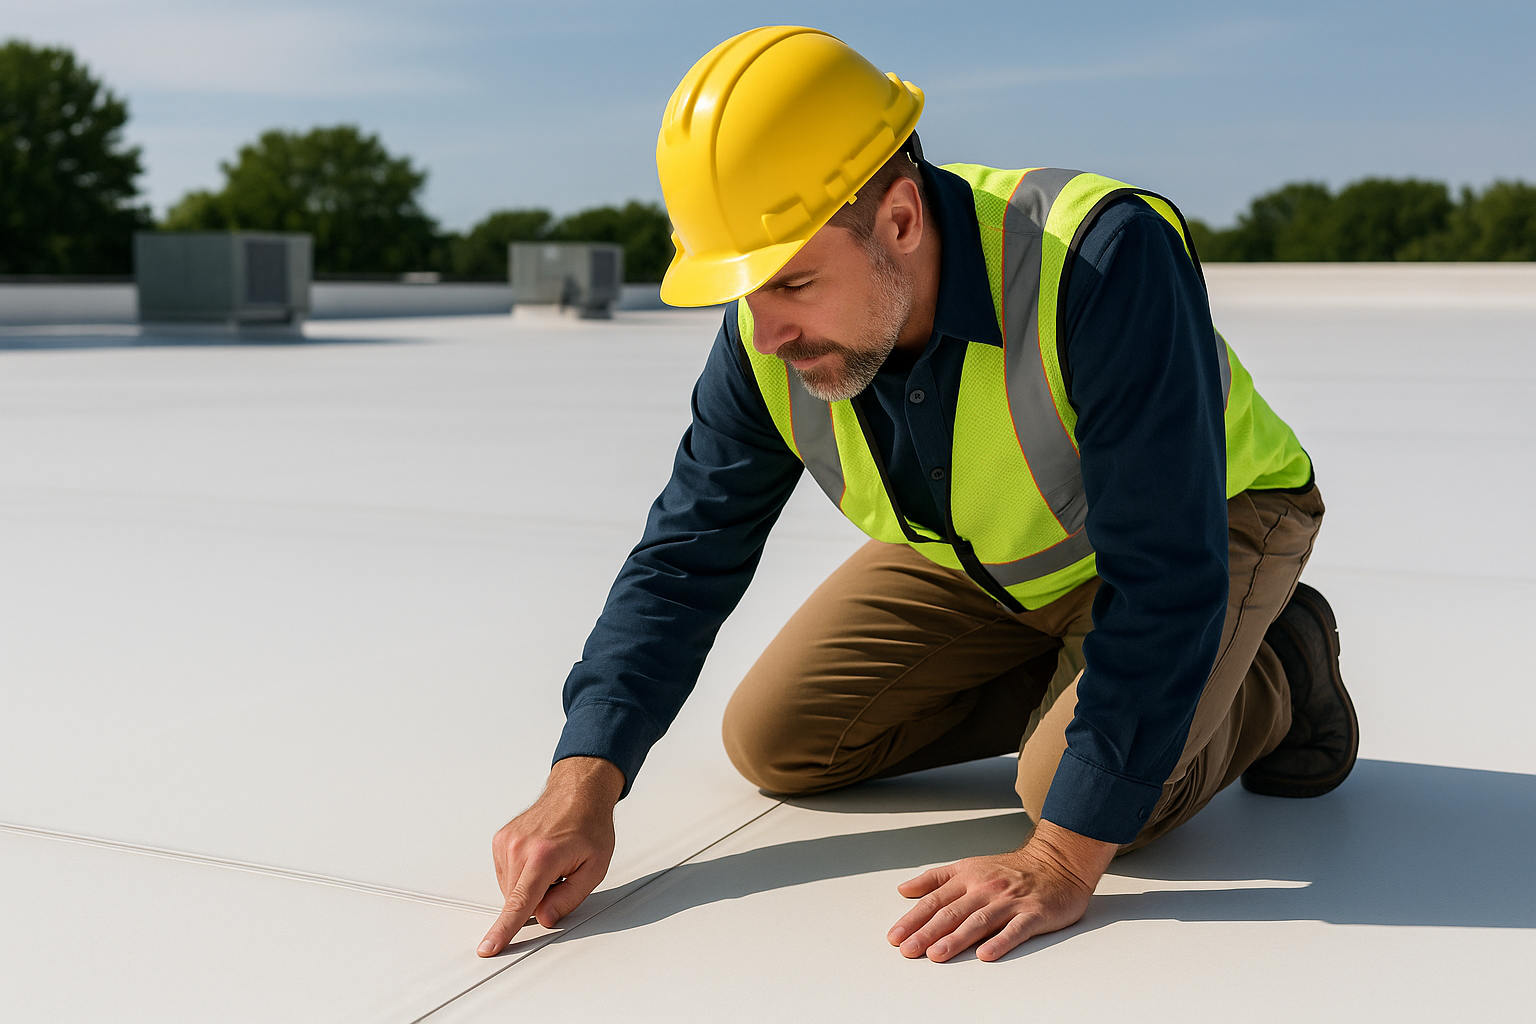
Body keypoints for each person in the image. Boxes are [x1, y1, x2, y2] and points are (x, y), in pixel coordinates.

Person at [476, 26, 1358, 964]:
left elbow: (1167, 569)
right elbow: (687, 554)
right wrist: (584, 779)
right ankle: (1079, 677)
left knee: (1086, 794)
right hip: (992, 553)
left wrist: (1061, 855)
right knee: (779, 741)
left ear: (900, 218)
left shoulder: (1100, 261)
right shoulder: (766, 334)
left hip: (1214, 521)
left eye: (795, 282)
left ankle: (1280, 668)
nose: (765, 332)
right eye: (744, 289)